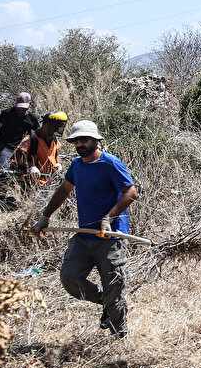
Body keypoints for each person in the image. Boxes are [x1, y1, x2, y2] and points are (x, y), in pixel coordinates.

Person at [30, 120, 138, 337]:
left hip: (110, 237)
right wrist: (45, 217)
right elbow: (64, 190)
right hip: (85, 235)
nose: (80, 144)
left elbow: (131, 193)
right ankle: (107, 302)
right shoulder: (77, 165)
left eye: (84, 140)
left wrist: (108, 218)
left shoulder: (110, 163)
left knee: (114, 286)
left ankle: (120, 336)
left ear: (95, 140)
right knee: (70, 279)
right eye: (76, 141)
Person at [10, 111, 67, 186]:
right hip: (33, 182)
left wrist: (58, 163)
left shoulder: (54, 139)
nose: (57, 129)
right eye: (56, 126)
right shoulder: (31, 138)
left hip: (51, 181)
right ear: (47, 124)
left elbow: (56, 154)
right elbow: (17, 156)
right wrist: (31, 166)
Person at [0, 93, 40, 171]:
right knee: (4, 172)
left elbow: (38, 134)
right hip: (4, 146)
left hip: (19, 149)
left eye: (25, 108)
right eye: (20, 107)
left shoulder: (31, 118)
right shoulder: (6, 113)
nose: (22, 110)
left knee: (20, 172)